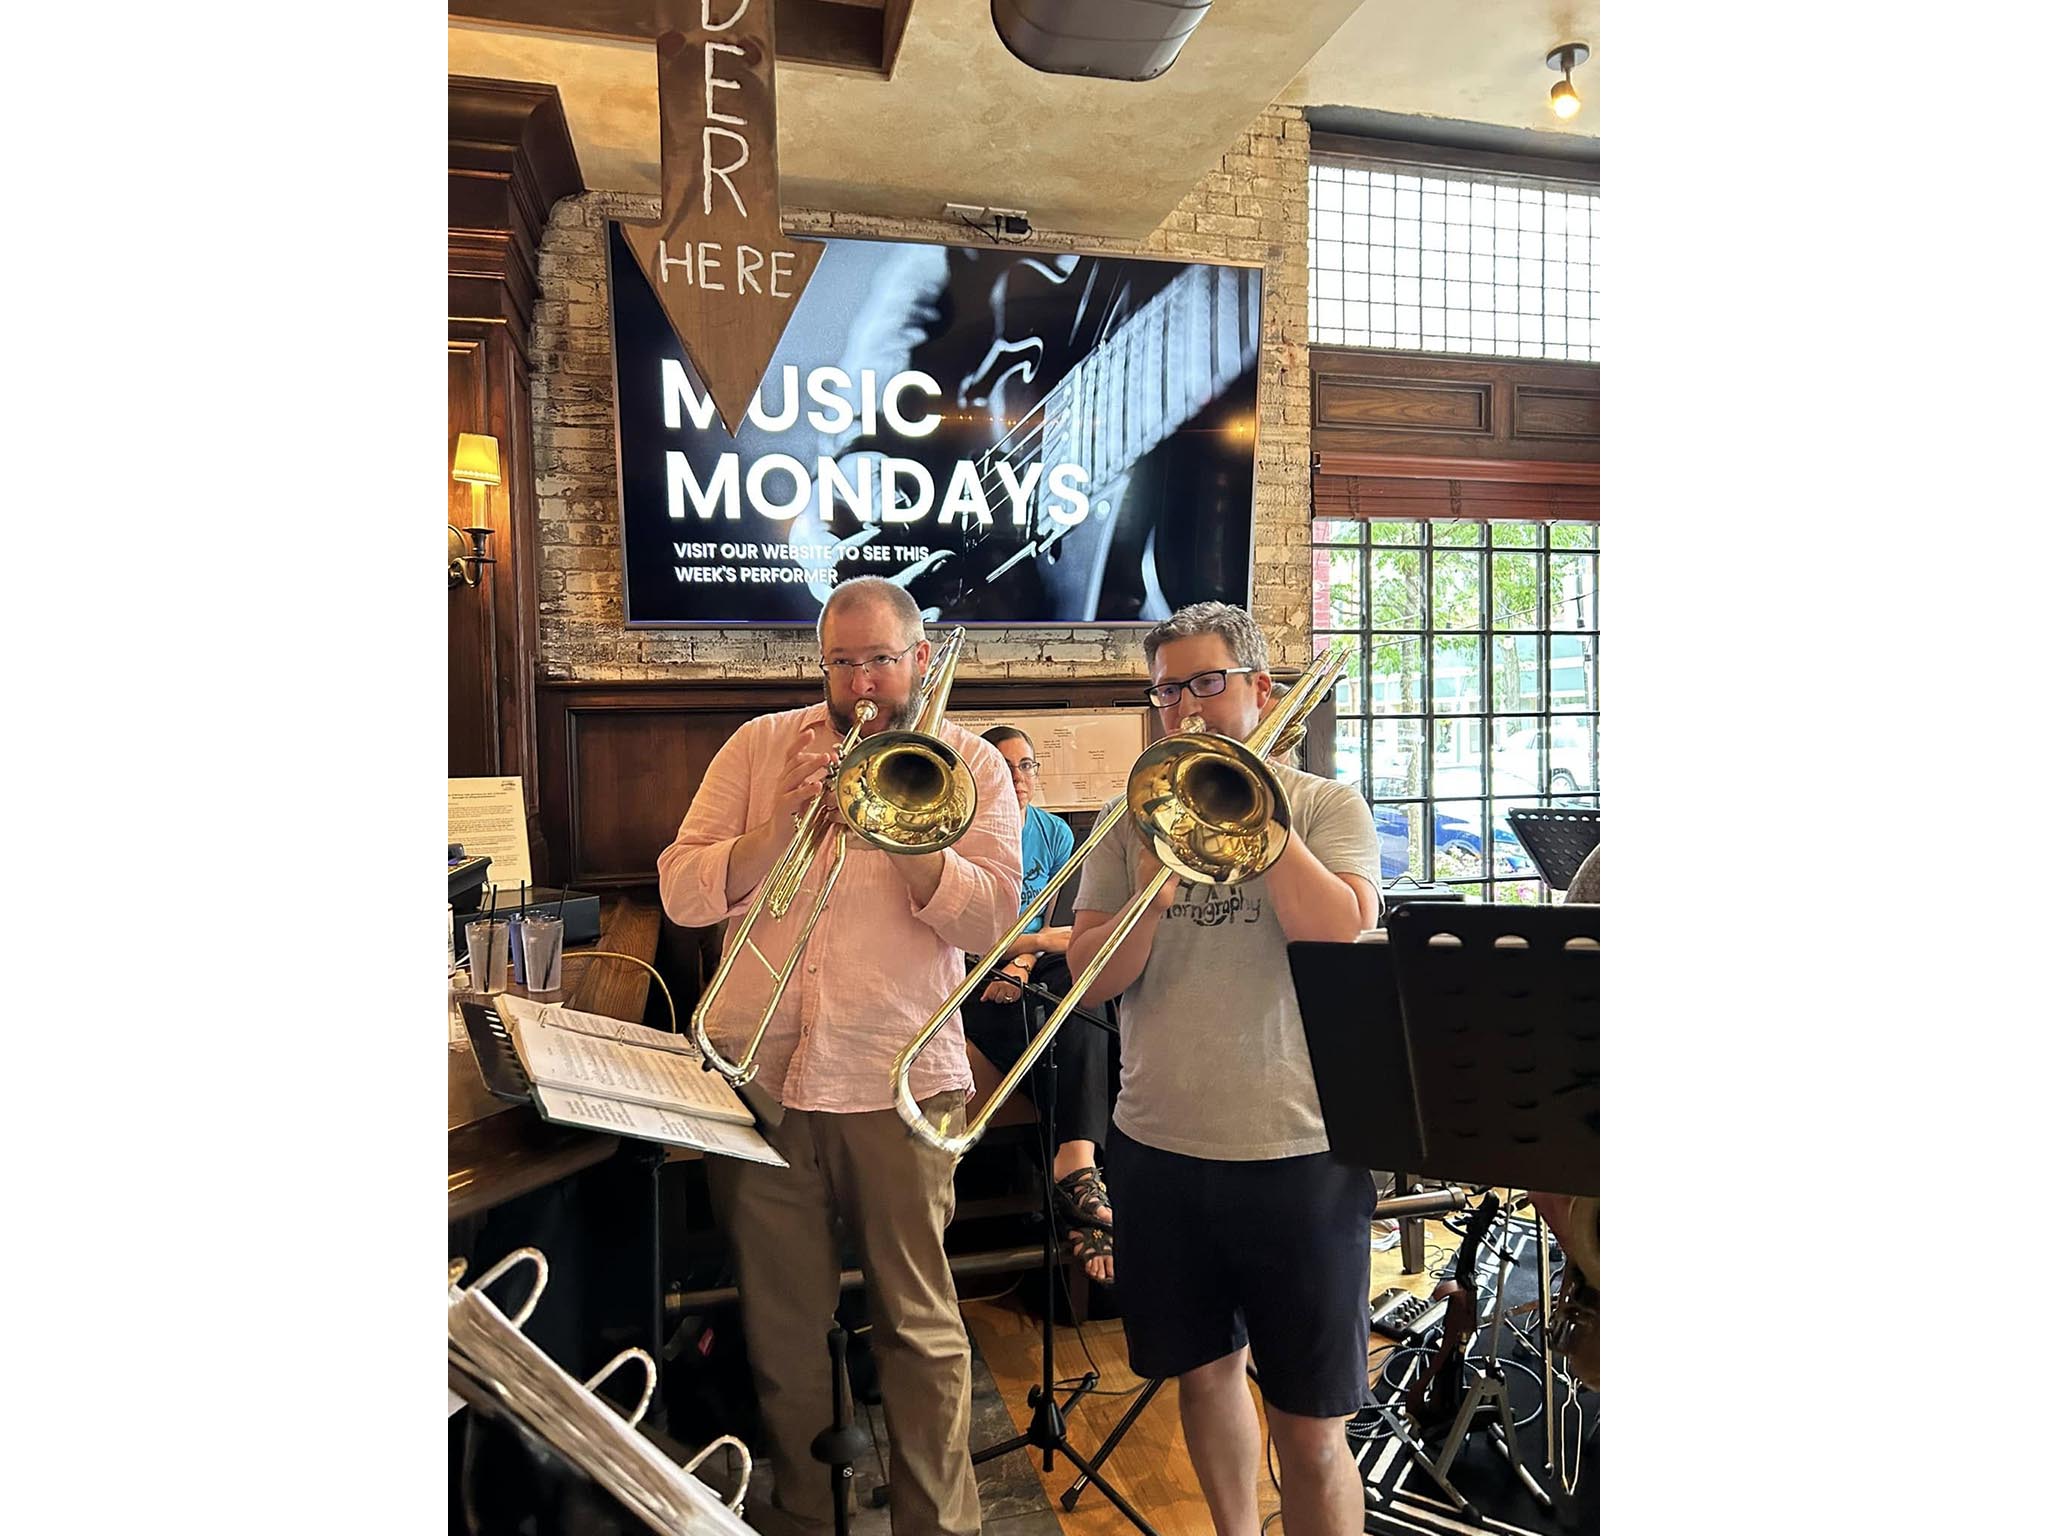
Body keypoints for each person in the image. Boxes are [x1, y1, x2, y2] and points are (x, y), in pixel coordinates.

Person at [656, 577, 1022, 1536]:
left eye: (880, 661)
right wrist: (778, 829)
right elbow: (682, 892)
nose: (860, 684)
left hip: (899, 1078)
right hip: (759, 1077)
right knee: (781, 1326)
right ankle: (811, 1516)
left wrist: (907, 835)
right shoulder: (759, 746)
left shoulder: (972, 764)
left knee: (920, 1325)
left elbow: (993, 920)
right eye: (842, 662)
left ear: (920, 659)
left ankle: (938, 1526)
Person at [1067, 602, 1383, 1536]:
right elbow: (1091, 978)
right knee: (1203, 1380)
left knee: (1311, 1426)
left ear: (1260, 689)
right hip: (1159, 1148)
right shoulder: (1131, 820)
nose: (1185, 708)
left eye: (1206, 683)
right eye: (1166, 691)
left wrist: (1259, 824)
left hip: (1300, 1151)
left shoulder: (1325, 805)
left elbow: (1339, 932)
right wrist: (1153, 890)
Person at [958, 725, 1117, 1284]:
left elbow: (1065, 928)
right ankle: (1081, 1186)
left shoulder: (1054, 832)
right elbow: (961, 934)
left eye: (1027, 765)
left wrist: (1023, 958)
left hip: (1034, 965)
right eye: (1004, 767)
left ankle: (1077, 1172)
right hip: (972, 972)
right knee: (1055, 1025)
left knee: (1087, 991)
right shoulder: (960, 834)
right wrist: (1025, 949)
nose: (1019, 778)